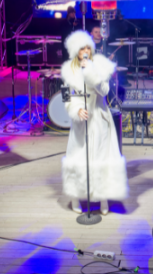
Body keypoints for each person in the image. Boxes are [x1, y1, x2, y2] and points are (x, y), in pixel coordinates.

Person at [60, 30, 128, 214]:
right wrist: (76, 110)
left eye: (88, 48)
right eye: (82, 49)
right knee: (78, 157)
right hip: (81, 121)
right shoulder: (68, 70)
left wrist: (90, 71)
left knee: (101, 157)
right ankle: (75, 196)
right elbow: (66, 96)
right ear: (76, 50)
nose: (85, 52)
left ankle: (102, 197)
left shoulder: (99, 65)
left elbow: (104, 91)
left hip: (98, 117)